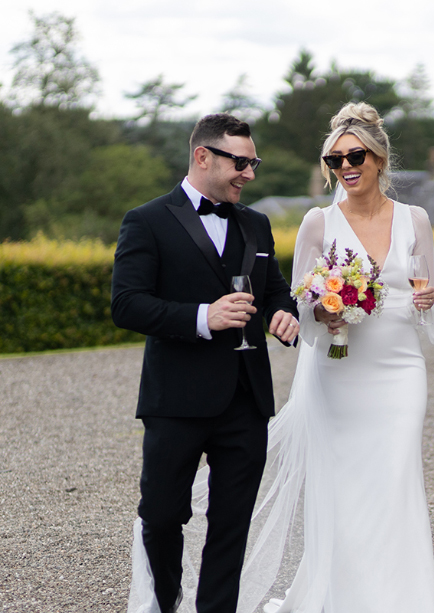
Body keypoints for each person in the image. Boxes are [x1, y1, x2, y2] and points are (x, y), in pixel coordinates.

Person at [214, 101, 434, 613]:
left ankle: (403, 599)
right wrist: (326, 315)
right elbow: (300, 306)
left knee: (397, 475)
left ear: (379, 158)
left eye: (356, 155)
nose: (347, 167)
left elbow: (430, 303)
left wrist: (425, 301)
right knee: (343, 486)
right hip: (338, 373)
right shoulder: (318, 224)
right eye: (335, 160)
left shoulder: (415, 220)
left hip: (401, 370)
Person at [111, 113, 300, 613]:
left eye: (253, 162)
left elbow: (276, 289)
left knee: (232, 523)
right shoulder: (146, 220)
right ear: (202, 156)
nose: (250, 174)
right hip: (175, 399)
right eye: (241, 162)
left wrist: (284, 313)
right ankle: (166, 599)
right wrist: (202, 316)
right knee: (161, 515)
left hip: (246, 398)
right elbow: (126, 304)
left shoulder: (257, 224)